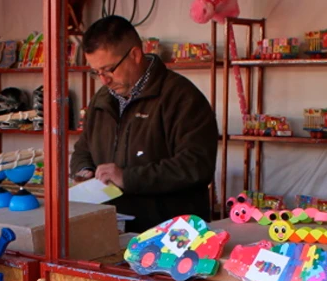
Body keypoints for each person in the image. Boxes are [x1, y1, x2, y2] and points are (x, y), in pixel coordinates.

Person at [71, 16, 218, 232]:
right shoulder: (102, 99)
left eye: (109, 69)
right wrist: (84, 171)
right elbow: (83, 148)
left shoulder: (181, 97)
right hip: (112, 228)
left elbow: (196, 165)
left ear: (135, 55)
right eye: (96, 72)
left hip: (170, 235)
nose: (104, 80)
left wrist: (127, 178)